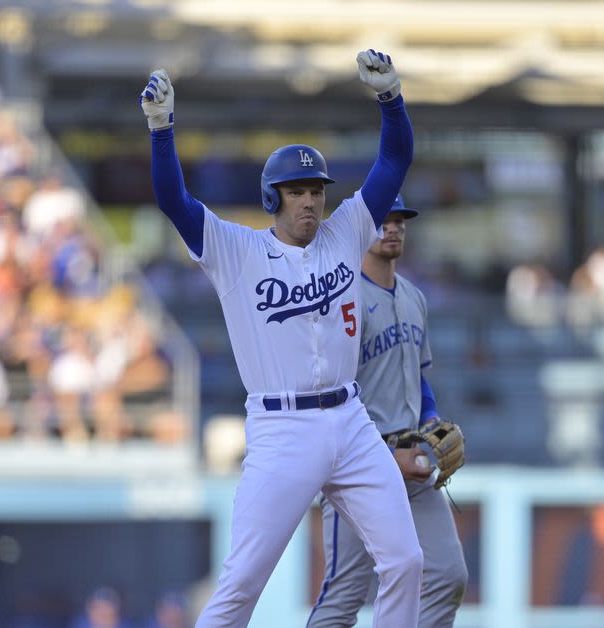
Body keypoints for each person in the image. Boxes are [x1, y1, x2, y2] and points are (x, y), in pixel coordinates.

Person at [141, 50, 423, 627]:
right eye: (296, 191)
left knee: (406, 559)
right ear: (273, 198)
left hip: (350, 419)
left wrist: (392, 100)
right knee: (240, 587)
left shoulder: (346, 231)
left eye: (316, 189)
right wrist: (162, 132)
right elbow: (174, 201)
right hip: (281, 428)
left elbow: (395, 160)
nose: (311, 200)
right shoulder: (237, 250)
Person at [308, 196, 469, 627]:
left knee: (448, 575)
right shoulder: (342, 299)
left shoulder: (414, 296)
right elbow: (329, 391)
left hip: (412, 459)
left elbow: (418, 377)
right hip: (357, 462)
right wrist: (379, 457)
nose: (393, 227)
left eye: (400, 220)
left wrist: (431, 420)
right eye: (384, 220)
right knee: (344, 593)